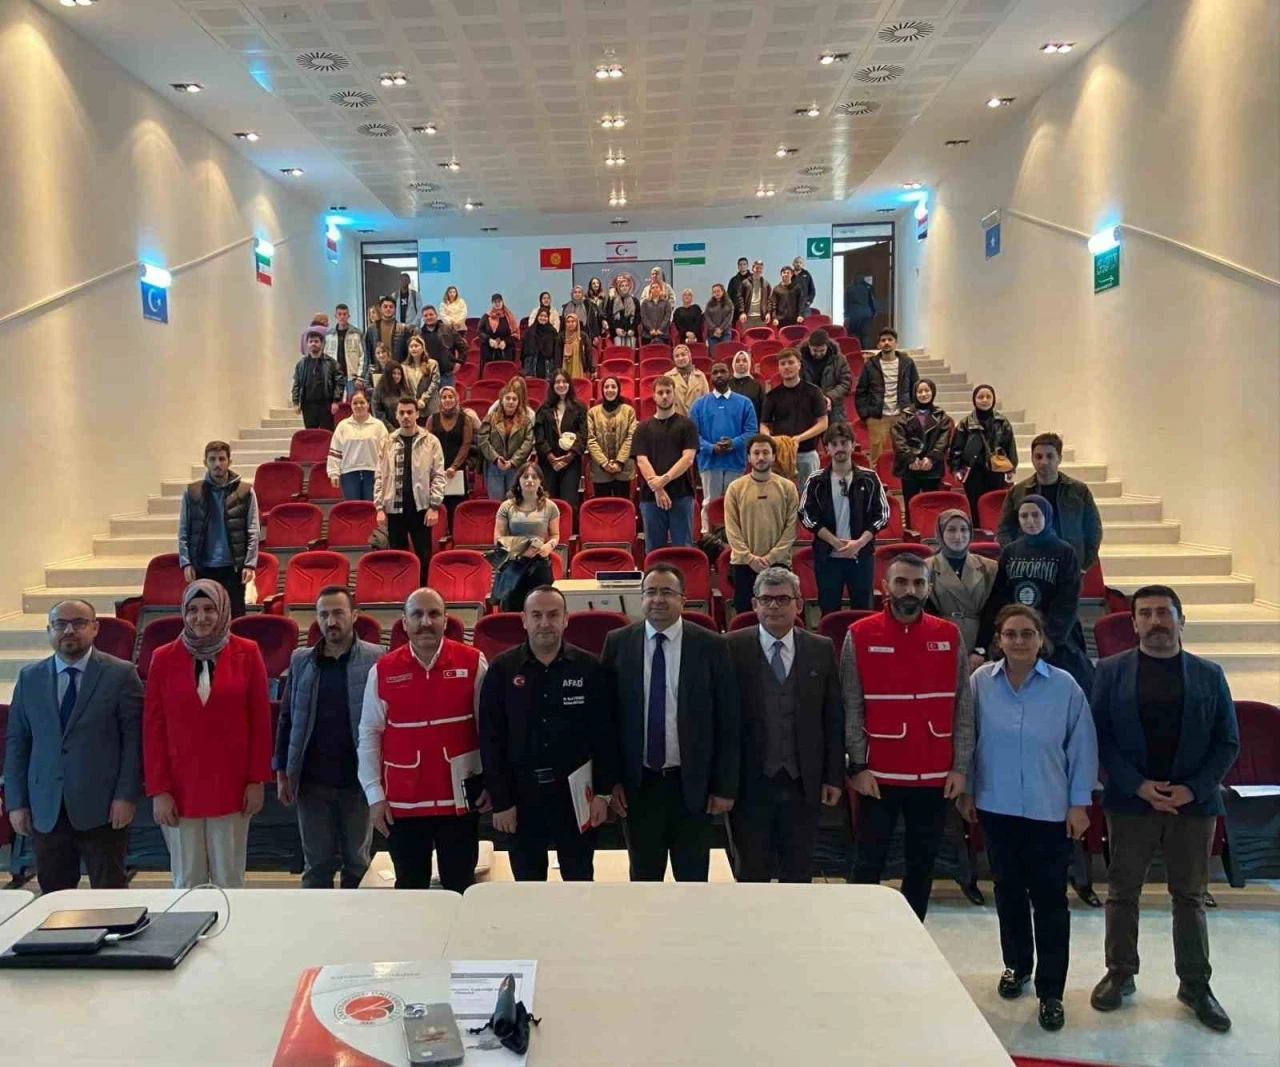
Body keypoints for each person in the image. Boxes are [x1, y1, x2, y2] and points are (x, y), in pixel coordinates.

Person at [1089, 585, 1239, 1033]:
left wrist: (1191, 790)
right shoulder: (1110, 672)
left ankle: (1195, 985)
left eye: (1164, 612)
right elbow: (1100, 737)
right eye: (1146, 613)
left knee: (1189, 896)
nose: (1155, 621)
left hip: (1192, 805)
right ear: (1134, 623)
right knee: (1122, 893)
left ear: (1181, 620)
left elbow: (1227, 742)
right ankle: (1120, 973)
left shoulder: (1209, 674)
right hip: (1130, 801)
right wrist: (1138, 786)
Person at [959, 604, 1098, 1032]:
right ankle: (1017, 965)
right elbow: (969, 739)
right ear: (998, 639)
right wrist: (967, 790)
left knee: (1051, 901)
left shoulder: (1065, 686)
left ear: (1041, 639)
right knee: (1008, 892)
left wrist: (1079, 804)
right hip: (996, 806)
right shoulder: (981, 683)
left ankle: (1051, 991)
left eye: (1027, 633)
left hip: (1049, 810)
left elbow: (1082, 748)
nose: (1018, 641)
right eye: (1010, 634)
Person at [840, 553, 974, 920]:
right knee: (867, 863)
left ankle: (913, 935)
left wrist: (960, 766)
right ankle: (860, 934)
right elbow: (851, 704)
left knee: (922, 864)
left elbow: (963, 704)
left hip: (935, 774)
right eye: (901, 582)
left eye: (918, 583)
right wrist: (858, 766)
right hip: (878, 774)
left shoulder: (949, 635)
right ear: (885, 586)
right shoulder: (860, 634)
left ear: (929, 588)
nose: (909, 590)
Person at [600, 562, 740, 880]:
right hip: (638, 786)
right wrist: (610, 783)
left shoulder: (712, 645)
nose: (658, 599)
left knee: (692, 879)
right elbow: (607, 721)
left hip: (693, 786)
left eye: (667, 592)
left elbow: (728, 721)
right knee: (644, 878)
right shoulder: (619, 642)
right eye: (650, 592)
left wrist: (724, 786)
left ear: (683, 599)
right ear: (641, 598)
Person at [479, 586, 618, 880]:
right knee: (528, 885)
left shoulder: (589, 667)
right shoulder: (502, 669)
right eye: (537, 615)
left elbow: (605, 735)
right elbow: (491, 739)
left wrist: (602, 794)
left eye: (553, 615)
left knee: (579, 880)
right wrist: (502, 802)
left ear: (566, 619)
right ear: (524, 620)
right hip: (521, 796)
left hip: (576, 796)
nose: (545, 623)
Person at [4, 599, 143, 893]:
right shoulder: (30, 678)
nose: (69, 630)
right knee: (54, 897)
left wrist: (126, 796)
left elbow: (133, 743)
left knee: (110, 896)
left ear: (95, 628)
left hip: (103, 808)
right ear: (49, 631)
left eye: (79, 623)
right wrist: (17, 803)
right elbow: (18, 744)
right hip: (46, 807)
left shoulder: (121, 674)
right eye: (60, 624)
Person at [358, 588, 490, 892]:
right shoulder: (382, 670)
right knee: (410, 889)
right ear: (404, 622)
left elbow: (489, 729)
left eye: (434, 614)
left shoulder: (473, 662)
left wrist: (491, 782)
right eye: (417, 615)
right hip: (403, 802)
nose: (426, 622)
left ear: (446, 620)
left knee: (460, 886)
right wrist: (375, 796)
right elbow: (369, 734)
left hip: (459, 801)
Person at [144, 580, 272, 888]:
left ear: (223, 611)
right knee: (187, 878)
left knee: (229, 877)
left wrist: (256, 781)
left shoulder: (248, 652)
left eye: (209, 609)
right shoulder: (162, 657)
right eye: (193, 610)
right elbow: (153, 728)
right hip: (179, 787)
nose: (200, 617)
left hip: (232, 784)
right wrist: (159, 790)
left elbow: (260, 721)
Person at [725, 567, 843, 881]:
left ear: (799, 604)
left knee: (799, 871)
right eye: (766, 599)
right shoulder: (731, 647)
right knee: (751, 872)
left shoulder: (820, 648)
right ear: (754, 604)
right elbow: (721, 721)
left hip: (803, 781)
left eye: (782, 599)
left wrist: (833, 777)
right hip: (749, 782)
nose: (774, 606)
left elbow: (832, 717)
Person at [274, 586, 383, 889]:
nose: (331, 621)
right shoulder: (301, 660)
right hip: (312, 782)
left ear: (354, 615)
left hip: (357, 782)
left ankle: (357, 919)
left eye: (338, 613)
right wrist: (281, 771)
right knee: (316, 867)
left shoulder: (376, 658)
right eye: (323, 615)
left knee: (357, 864)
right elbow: (286, 718)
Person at [983, 495, 1093, 692]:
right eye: (1024, 516)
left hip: (1055, 636)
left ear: (1047, 516)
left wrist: (1044, 639)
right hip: (1017, 634)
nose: (1030, 521)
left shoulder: (1064, 551)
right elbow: (1001, 595)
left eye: (1036, 515)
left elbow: (1067, 599)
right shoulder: (1010, 551)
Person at [800, 422, 889, 614]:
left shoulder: (870, 478)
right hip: (828, 558)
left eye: (844, 442)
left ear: (853, 444)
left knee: (863, 611)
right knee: (829, 611)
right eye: (834, 444)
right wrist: (834, 542)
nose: (839, 448)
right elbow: (806, 515)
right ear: (827, 448)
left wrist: (859, 543)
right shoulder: (815, 480)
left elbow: (882, 515)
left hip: (861, 556)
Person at [997, 433, 1102, 574]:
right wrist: (1014, 557)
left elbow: (1093, 529)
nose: (1044, 462)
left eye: (1050, 456)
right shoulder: (1017, 492)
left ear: (1059, 458)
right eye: (1038, 457)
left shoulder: (1079, 491)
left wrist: (1085, 563)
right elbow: (1004, 529)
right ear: (1032, 459)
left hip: (1070, 565)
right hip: (1029, 565)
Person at [177, 440, 260, 618]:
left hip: (233, 568)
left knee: (234, 616)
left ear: (229, 462)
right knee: (205, 618)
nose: (217, 464)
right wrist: (186, 562)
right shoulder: (192, 492)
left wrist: (249, 564)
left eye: (222, 459)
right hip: (202, 567)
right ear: (205, 462)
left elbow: (253, 529)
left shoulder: (245, 491)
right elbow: (184, 530)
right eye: (212, 459)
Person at [374, 397, 447, 586]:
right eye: (402, 413)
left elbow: (439, 475)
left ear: (417, 414)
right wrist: (379, 507)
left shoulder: (430, 441)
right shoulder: (387, 441)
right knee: (397, 556)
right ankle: (401, 590)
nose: (406, 416)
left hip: (420, 507)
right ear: (396, 416)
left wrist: (434, 506)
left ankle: (423, 592)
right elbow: (380, 475)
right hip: (394, 506)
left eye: (409, 412)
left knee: (424, 556)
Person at [724, 435, 799, 613]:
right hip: (743, 564)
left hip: (779, 563)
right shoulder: (735, 488)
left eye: (765, 452)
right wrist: (749, 558)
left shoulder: (788, 487)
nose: (761, 457)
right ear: (749, 457)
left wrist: (771, 558)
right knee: (745, 616)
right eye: (756, 453)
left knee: (778, 614)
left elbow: (792, 528)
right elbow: (732, 529)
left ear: (773, 456)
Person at [632, 376, 699, 550]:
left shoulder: (688, 425)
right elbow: (641, 460)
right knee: (654, 551)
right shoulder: (642, 428)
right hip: (650, 497)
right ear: (653, 396)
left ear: (674, 394)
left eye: (668, 392)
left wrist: (663, 480)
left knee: (683, 549)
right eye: (660, 392)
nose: (664, 396)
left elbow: (688, 458)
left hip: (681, 495)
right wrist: (658, 489)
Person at [690, 361, 758, 528]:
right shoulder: (699, 405)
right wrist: (711, 448)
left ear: (730, 375)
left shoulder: (744, 403)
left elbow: (751, 432)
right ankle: (707, 536)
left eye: (722, 371)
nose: (719, 375)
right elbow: (692, 435)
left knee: (734, 505)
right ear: (710, 377)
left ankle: (734, 538)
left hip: (735, 462)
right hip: (709, 462)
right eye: (715, 372)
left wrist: (733, 443)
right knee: (709, 503)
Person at [927, 510, 997, 667]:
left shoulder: (990, 567)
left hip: (980, 644)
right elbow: (927, 613)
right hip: (942, 641)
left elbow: (992, 611)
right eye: (951, 530)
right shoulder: (926, 568)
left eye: (964, 529)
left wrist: (980, 649)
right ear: (940, 533)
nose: (958, 536)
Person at [493, 465, 560, 612]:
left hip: (539, 563)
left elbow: (555, 535)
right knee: (514, 612)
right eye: (525, 476)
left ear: (540, 482)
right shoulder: (506, 506)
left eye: (534, 477)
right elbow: (498, 539)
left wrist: (548, 547)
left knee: (542, 610)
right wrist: (521, 550)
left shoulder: (551, 506)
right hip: (514, 565)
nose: (530, 480)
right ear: (518, 480)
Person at [950, 384, 1018, 523]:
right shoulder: (965, 423)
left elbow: (1010, 445)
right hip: (973, 470)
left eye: (988, 397)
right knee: (974, 504)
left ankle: (993, 528)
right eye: (980, 397)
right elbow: (956, 448)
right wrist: (956, 468)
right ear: (974, 400)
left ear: (993, 399)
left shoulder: (1002, 422)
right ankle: (977, 530)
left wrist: (1011, 468)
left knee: (994, 503)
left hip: (996, 469)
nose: (985, 400)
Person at [761, 347, 828, 485]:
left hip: (807, 453)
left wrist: (799, 438)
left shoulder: (814, 392)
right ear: (779, 368)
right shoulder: (772, 395)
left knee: (809, 493)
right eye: (783, 363)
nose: (786, 367)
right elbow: (763, 424)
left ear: (799, 365)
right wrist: (770, 439)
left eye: (791, 362)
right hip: (781, 454)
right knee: (781, 494)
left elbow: (823, 423)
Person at [891, 378, 954, 522]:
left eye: (927, 391)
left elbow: (943, 441)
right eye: (920, 391)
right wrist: (910, 458)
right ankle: (911, 529)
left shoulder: (941, 416)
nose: (923, 394)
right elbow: (898, 440)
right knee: (910, 505)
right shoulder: (904, 415)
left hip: (932, 468)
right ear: (915, 393)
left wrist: (931, 458)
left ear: (933, 392)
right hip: (909, 469)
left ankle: (931, 529)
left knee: (931, 506)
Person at [854, 328, 919, 463]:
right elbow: (861, 392)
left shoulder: (907, 363)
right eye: (883, 340)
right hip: (878, 417)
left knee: (905, 455)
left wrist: (912, 411)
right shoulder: (870, 365)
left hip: (903, 415)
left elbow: (915, 387)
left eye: (890, 339)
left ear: (896, 343)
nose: (887, 343)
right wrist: (867, 416)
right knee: (876, 459)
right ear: (878, 345)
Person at [534, 371, 587, 509]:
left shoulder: (579, 407)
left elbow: (583, 434)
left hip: (571, 463)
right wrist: (551, 457)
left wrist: (569, 456)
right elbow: (539, 436)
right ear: (552, 385)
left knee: (569, 503)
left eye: (564, 381)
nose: (561, 385)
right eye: (557, 382)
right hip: (548, 463)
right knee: (548, 504)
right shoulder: (543, 408)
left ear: (569, 384)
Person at [327, 389, 387, 501]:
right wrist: (333, 473)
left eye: (362, 402)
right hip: (349, 474)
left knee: (372, 508)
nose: (359, 406)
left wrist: (386, 472)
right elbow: (335, 451)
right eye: (355, 403)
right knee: (352, 509)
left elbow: (386, 452)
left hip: (374, 473)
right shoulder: (343, 426)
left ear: (368, 404)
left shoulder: (378, 426)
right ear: (350, 405)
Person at [479, 387, 535, 501]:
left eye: (514, 399)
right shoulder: (490, 418)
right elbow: (483, 440)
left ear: (518, 402)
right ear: (501, 400)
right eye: (508, 398)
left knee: (515, 502)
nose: (511, 402)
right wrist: (496, 458)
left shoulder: (526, 421)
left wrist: (513, 462)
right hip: (494, 466)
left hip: (516, 467)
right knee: (496, 503)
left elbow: (528, 443)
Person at [429, 385, 474, 527]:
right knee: (438, 505)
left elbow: (466, 444)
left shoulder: (465, 419)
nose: (447, 400)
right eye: (444, 397)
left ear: (456, 399)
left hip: (457, 471)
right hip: (437, 470)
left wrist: (454, 467)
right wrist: (436, 467)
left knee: (456, 508)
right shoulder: (432, 419)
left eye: (450, 397)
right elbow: (428, 445)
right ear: (440, 400)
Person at [586, 375, 637, 499]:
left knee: (622, 504)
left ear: (618, 389)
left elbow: (631, 437)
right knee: (603, 506)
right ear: (602, 390)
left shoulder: (629, 411)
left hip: (623, 468)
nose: (610, 390)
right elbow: (591, 440)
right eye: (606, 387)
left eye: (613, 387)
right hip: (600, 470)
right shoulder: (592, 412)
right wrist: (604, 463)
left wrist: (619, 462)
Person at [292, 326, 344, 430]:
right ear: (307, 344)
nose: (313, 344)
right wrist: (295, 402)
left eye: (316, 341)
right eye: (310, 341)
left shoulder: (331, 363)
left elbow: (339, 383)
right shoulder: (301, 364)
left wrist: (336, 401)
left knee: (327, 434)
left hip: (326, 405)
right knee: (311, 434)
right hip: (308, 405)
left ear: (322, 344)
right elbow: (297, 384)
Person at [799, 328, 853, 425]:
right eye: (815, 350)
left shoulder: (839, 359)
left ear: (827, 346)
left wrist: (829, 397)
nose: (818, 354)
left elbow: (846, 383)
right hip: (806, 409)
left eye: (822, 350)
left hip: (834, 410)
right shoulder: (799, 360)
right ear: (809, 346)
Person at [418, 304, 468, 387]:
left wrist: (459, 362)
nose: (429, 317)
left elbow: (463, 348)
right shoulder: (419, 334)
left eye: (431, 314)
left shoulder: (448, 329)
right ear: (422, 318)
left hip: (446, 375)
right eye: (425, 315)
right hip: (428, 375)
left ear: (436, 315)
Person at [326, 303, 367, 397]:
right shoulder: (329, 335)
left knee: (352, 401)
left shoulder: (357, 333)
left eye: (345, 314)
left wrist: (360, 377)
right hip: (334, 378)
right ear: (335, 316)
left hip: (352, 377)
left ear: (348, 316)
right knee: (335, 403)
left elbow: (363, 356)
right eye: (340, 314)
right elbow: (325, 357)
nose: (342, 317)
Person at [364, 294, 412, 369]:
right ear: (380, 309)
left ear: (395, 309)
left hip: (397, 370)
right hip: (378, 370)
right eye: (385, 306)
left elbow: (409, 352)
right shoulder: (372, 329)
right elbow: (367, 353)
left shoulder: (404, 329)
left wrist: (403, 366)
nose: (388, 309)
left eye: (391, 307)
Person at [402, 335, 440, 414]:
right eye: (411, 346)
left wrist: (423, 399)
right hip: (413, 407)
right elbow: (404, 387)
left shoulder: (432, 364)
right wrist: (413, 401)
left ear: (423, 348)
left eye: (416, 346)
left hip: (430, 405)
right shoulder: (404, 366)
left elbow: (435, 384)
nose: (413, 348)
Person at [478, 293, 518, 369]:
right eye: (495, 302)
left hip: (506, 350)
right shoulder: (486, 316)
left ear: (502, 302)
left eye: (499, 301)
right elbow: (479, 331)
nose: (497, 304)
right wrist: (489, 340)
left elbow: (515, 334)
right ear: (492, 304)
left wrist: (505, 342)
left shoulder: (509, 316)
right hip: (489, 350)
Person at [668, 343, 709, 416]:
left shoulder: (700, 376)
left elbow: (706, 401)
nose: (680, 358)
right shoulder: (668, 377)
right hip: (676, 419)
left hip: (697, 418)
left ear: (689, 356)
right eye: (677, 356)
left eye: (683, 355)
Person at [372, 360, 411, 430]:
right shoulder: (379, 391)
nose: (397, 376)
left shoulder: (405, 390)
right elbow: (378, 415)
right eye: (394, 373)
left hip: (406, 429)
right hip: (387, 430)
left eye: (399, 374)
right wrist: (393, 431)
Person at [521, 307, 559, 380]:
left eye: (545, 316)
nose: (543, 318)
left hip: (548, 365)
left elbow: (556, 350)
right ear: (537, 317)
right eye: (541, 316)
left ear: (548, 318)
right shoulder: (530, 331)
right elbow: (524, 350)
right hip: (532, 364)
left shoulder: (552, 331)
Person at [728, 348, 765, 420]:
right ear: (733, 364)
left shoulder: (757, 385)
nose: (741, 364)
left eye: (744, 361)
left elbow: (763, 409)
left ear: (749, 364)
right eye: (737, 361)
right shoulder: (727, 385)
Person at [735, 260, 772, 328]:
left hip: (761, 317)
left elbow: (769, 300)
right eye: (757, 268)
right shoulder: (745, 282)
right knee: (747, 334)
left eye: (760, 268)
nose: (759, 270)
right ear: (752, 269)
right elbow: (739, 298)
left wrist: (768, 313)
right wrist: (742, 312)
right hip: (747, 317)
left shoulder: (766, 284)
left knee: (760, 334)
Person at [844, 274, 877, 349]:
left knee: (851, 334)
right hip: (866, 314)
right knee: (865, 335)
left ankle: (852, 350)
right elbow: (872, 301)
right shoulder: (868, 288)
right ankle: (866, 350)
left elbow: (846, 302)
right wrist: (874, 312)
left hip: (853, 314)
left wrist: (846, 314)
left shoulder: (849, 288)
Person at [606, 273, 640, 346]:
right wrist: (616, 329)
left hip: (631, 331)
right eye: (622, 286)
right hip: (617, 331)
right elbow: (610, 317)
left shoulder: (635, 301)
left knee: (630, 351)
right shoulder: (613, 301)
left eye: (626, 285)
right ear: (618, 288)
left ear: (629, 287)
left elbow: (637, 317)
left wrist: (632, 329)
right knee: (621, 351)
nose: (624, 287)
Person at [559, 310, 594, 379]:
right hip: (565, 367)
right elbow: (558, 355)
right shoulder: (561, 337)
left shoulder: (583, 336)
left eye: (573, 322)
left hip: (580, 367)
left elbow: (588, 352)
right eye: (568, 322)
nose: (570, 324)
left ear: (577, 323)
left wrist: (591, 369)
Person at [704, 283, 736, 356]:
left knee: (724, 353)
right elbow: (707, 317)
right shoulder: (709, 304)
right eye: (714, 292)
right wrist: (715, 328)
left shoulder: (729, 303)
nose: (716, 293)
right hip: (712, 334)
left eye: (718, 291)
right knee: (714, 354)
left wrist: (721, 328)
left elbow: (729, 318)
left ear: (723, 291)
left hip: (725, 333)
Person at [640, 282, 674, 346]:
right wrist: (651, 329)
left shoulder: (666, 303)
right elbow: (644, 317)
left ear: (660, 289)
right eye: (653, 288)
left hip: (662, 334)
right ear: (650, 290)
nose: (655, 289)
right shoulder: (645, 303)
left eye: (657, 287)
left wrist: (660, 329)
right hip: (647, 335)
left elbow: (667, 317)